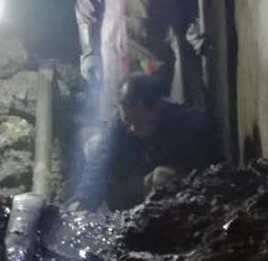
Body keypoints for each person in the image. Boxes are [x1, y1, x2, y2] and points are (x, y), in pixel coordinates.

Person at [69, 74, 222, 211]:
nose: (133, 129)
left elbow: (210, 172)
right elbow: (100, 161)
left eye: (139, 121)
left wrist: (177, 175)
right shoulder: (120, 124)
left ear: (158, 107)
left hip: (178, 201)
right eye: (128, 122)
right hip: (135, 190)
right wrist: (82, 199)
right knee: (94, 145)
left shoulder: (191, 126)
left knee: (161, 177)